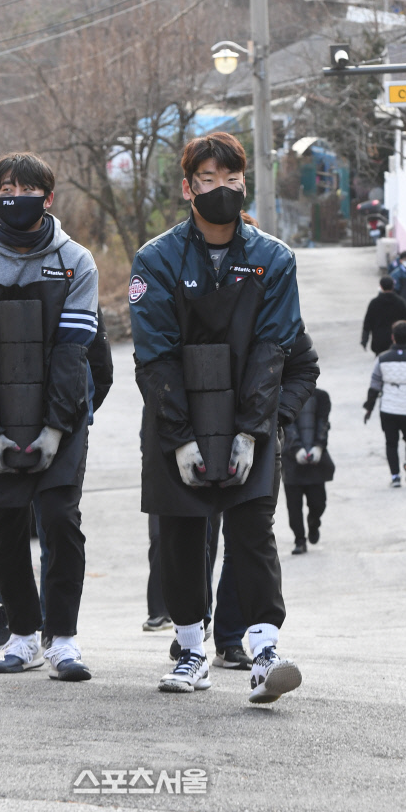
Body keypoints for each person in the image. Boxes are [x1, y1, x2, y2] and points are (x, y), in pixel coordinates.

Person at [129, 132, 304, 703]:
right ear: (187, 187)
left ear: (244, 183)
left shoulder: (273, 259)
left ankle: (264, 649)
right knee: (181, 534)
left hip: (246, 418)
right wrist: (180, 437)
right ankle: (187, 649)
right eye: (208, 179)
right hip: (173, 417)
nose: (221, 189)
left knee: (253, 531)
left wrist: (256, 431)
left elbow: (273, 350)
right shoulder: (155, 259)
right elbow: (154, 354)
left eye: (231, 179)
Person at [0, 151, 98, 680]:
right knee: (3, 527)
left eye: (27, 189)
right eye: (6, 188)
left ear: (48, 198)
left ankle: (64, 641)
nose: (16, 196)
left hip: (62, 415)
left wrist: (57, 428)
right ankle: (24, 635)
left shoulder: (77, 261)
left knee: (59, 520)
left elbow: (72, 353)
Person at [211, 323, 319, 670]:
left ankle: (231, 639)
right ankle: (190, 633)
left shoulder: (276, 304)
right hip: (199, 431)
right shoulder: (195, 288)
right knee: (193, 533)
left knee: (246, 537)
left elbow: (304, 367)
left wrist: (276, 418)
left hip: (258, 439)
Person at [363, 320, 406, 487]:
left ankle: (395, 477)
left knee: (391, 443)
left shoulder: (382, 359)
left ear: (393, 337)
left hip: (388, 408)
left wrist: (369, 408)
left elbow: (375, 386)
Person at [282, 387, 334, 555]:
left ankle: (314, 521)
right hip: (291, 460)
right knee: (294, 507)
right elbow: (285, 426)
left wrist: (318, 447)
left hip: (315, 461)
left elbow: (323, 423)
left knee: (319, 503)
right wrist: (296, 449)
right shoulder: (282, 397)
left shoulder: (321, 397)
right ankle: (299, 540)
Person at [361, 275, 406, 354]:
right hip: (397, 341)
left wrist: (364, 340)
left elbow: (367, 323)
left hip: (379, 343)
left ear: (380, 286)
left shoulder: (374, 303)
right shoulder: (400, 302)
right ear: (393, 286)